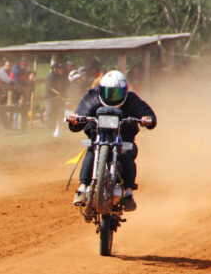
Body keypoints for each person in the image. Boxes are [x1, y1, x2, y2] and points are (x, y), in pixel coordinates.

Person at [66, 70, 156, 211]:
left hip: (124, 139)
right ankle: (82, 188)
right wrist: (75, 120)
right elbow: (81, 112)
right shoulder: (92, 96)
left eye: (116, 93)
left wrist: (147, 119)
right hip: (97, 137)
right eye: (108, 92)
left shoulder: (131, 99)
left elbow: (148, 114)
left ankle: (128, 193)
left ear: (124, 91)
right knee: (91, 149)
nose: (112, 97)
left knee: (126, 153)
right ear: (101, 90)